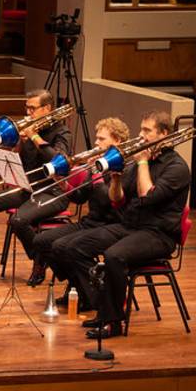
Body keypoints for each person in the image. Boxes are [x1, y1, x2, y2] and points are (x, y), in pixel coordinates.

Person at [60, 111, 190, 339]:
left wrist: (141, 162)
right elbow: (117, 200)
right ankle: (100, 305)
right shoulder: (141, 162)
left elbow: (147, 194)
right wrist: (117, 178)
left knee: (114, 256)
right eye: (141, 129)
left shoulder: (176, 167)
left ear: (164, 134)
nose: (140, 136)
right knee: (74, 246)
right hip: (130, 226)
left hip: (158, 234)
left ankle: (113, 321)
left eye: (147, 131)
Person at [36, 118, 129, 309]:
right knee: (42, 241)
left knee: (64, 246)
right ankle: (77, 285)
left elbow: (109, 200)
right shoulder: (98, 165)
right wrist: (61, 181)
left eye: (101, 139)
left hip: (112, 225)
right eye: (96, 138)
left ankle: (92, 296)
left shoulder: (125, 166)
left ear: (117, 141)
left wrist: (94, 173)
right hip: (91, 222)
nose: (96, 143)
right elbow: (79, 197)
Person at [0, 90, 73, 287]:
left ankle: (40, 259)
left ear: (47, 109)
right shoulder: (29, 130)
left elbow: (59, 161)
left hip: (53, 191)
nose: (28, 113)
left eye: (32, 108)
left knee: (18, 220)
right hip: (28, 188)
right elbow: (21, 163)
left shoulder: (62, 133)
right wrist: (17, 143)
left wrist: (34, 137)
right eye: (26, 108)